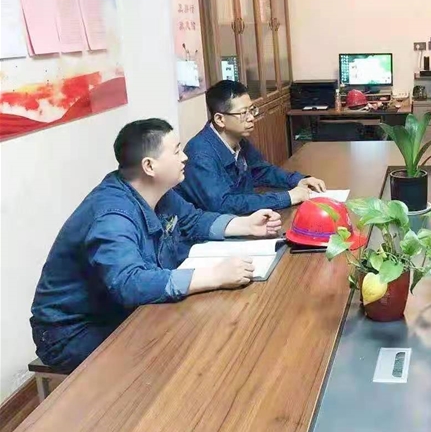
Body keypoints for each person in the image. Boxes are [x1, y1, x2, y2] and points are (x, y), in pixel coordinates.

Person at [30, 119, 282, 372]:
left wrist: (245, 225)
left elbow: (193, 220)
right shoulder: (113, 217)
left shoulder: (156, 191)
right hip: (74, 332)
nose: (185, 157)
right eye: (176, 151)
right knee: (180, 353)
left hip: (121, 310)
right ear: (149, 166)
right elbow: (129, 283)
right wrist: (214, 276)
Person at [177, 80, 326, 214]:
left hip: (242, 220)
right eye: (243, 113)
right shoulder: (200, 155)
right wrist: (287, 197)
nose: (251, 118)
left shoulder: (238, 139)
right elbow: (223, 204)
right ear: (220, 119)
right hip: (214, 229)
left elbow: (261, 171)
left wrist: (298, 180)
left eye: (252, 110)